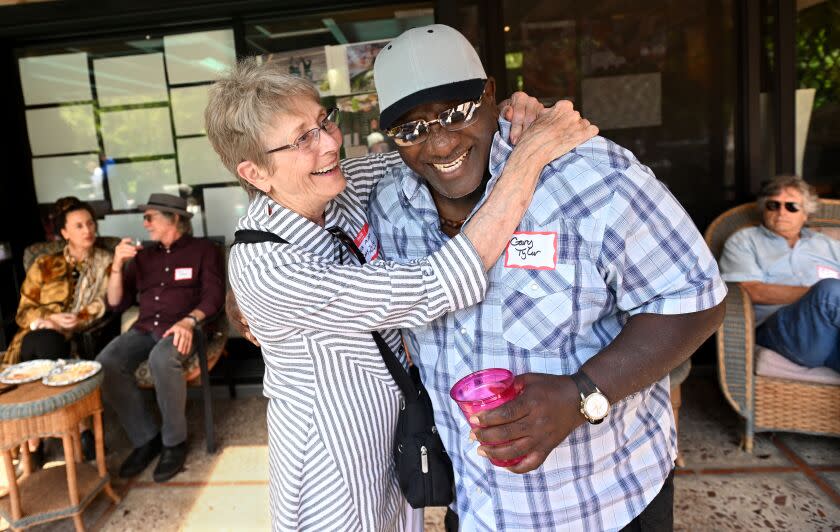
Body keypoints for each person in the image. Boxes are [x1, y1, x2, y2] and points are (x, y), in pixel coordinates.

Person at [206, 55, 595, 531]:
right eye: (302, 139)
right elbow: (437, 284)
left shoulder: (339, 189)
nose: (330, 144)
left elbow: (433, 150)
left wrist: (508, 116)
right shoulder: (269, 268)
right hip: (333, 464)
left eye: (323, 122)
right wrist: (531, 155)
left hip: (396, 435)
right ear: (255, 173)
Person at [367, 25, 727, 531]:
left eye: (456, 112)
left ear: (491, 95)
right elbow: (305, 189)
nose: (440, 141)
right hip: (477, 507)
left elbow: (696, 297)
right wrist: (247, 285)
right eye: (411, 129)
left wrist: (581, 394)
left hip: (606, 503)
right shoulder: (389, 206)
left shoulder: (589, 176)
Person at [96, 193, 224, 482]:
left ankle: (174, 442)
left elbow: (214, 297)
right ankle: (146, 438)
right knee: (107, 361)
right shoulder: (143, 257)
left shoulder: (204, 250)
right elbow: (116, 303)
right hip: (144, 328)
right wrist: (117, 265)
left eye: (150, 216)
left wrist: (189, 321)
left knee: (162, 359)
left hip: (184, 327)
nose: (145, 223)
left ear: (175, 218)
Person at [719, 175, 840, 371]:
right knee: (831, 291)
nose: (781, 212)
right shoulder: (744, 241)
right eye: (773, 205)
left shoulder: (828, 245)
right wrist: (817, 296)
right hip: (781, 331)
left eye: (791, 206)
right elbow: (750, 290)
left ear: (806, 214)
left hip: (831, 335)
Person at [5, 196, 112, 364]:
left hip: (71, 333)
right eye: (79, 226)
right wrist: (50, 319)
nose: (87, 230)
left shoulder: (105, 261)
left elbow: (102, 300)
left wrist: (74, 320)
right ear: (65, 233)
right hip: (35, 331)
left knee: (47, 344)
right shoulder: (44, 264)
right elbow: (24, 311)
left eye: (90, 223)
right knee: (38, 342)